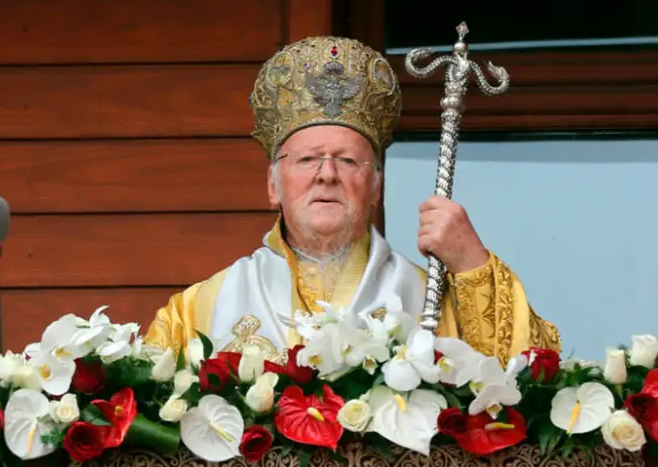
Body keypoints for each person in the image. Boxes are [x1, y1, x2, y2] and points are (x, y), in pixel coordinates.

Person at [144, 36, 560, 361]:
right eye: (307, 159)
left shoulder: (430, 301)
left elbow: (530, 380)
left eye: (347, 160)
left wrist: (471, 265)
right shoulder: (193, 313)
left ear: (376, 187)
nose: (327, 174)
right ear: (273, 185)